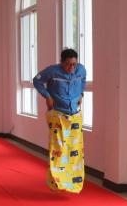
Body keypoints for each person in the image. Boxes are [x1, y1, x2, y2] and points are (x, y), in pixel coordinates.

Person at [33, 48, 87, 193]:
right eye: (68, 64)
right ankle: (56, 182)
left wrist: (81, 94)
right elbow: (37, 80)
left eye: (74, 64)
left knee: (75, 150)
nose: (71, 68)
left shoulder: (81, 70)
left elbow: (83, 80)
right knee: (58, 149)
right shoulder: (52, 71)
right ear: (62, 62)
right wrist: (47, 96)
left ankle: (71, 182)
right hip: (58, 114)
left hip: (74, 115)